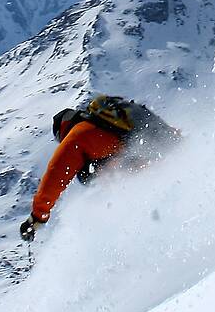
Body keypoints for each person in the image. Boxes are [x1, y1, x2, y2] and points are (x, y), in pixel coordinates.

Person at [19, 95, 176, 241]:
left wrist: (37, 217)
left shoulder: (77, 136)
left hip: (147, 162)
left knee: (87, 173)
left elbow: (56, 174)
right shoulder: (107, 129)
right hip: (159, 156)